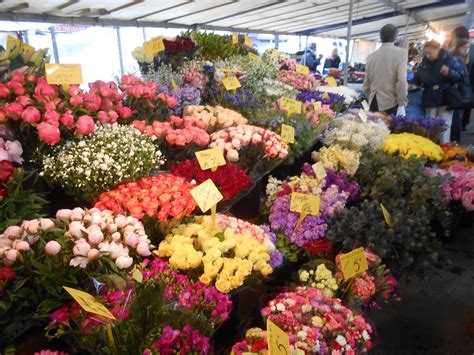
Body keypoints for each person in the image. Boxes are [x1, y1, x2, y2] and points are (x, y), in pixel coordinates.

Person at [412, 40, 464, 143]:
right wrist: (412, 83)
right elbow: (417, 78)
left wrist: (449, 73)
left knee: (444, 126)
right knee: (430, 126)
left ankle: (445, 150)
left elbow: (460, 77)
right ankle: (431, 150)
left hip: (445, 99)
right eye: (426, 53)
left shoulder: (450, 60)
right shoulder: (424, 63)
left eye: (430, 53)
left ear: (438, 50)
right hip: (429, 99)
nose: (427, 56)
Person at [363, 24, 408, 115]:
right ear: (395, 37)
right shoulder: (402, 53)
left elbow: (366, 83)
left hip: (373, 101)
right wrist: (401, 102)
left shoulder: (371, 57)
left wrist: (369, 95)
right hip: (390, 102)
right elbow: (402, 81)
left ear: (380, 36)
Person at [450, 26, 474, 131]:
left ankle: (460, 125)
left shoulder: (460, 48)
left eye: (453, 35)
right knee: (467, 100)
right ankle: (464, 123)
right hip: (469, 81)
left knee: (462, 101)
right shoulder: (471, 47)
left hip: (464, 81)